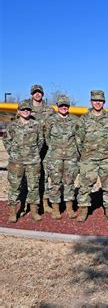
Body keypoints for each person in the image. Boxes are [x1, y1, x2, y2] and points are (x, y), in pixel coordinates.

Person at [75, 90, 108, 222]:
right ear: (91, 102)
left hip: (106, 157)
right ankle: (83, 209)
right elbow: (78, 138)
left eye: (100, 101)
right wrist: (86, 152)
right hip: (89, 158)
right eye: (95, 101)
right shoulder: (84, 119)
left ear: (104, 102)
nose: (98, 103)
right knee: (85, 185)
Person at [4, 100, 44, 222]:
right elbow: (6, 141)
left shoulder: (36, 125)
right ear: (18, 111)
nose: (26, 112)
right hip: (16, 161)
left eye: (28, 110)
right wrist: (14, 153)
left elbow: (40, 141)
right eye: (23, 110)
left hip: (33, 161)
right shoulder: (12, 126)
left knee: (34, 186)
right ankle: (13, 212)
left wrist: (33, 153)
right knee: (14, 187)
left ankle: (34, 211)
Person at [43, 96, 79, 220]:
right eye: (61, 105)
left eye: (66, 106)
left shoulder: (74, 120)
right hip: (55, 157)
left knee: (69, 182)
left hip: (71, 156)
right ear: (57, 106)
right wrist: (54, 148)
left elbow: (78, 138)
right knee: (55, 183)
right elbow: (47, 137)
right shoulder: (50, 120)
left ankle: (69, 208)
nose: (64, 107)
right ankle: (56, 208)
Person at [29, 84, 55, 214]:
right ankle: (28, 203)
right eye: (35, 92)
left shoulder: (49, 110)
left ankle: (45, 203)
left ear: (42, 94)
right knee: (29, 177)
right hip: (30, 149)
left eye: (39, 92)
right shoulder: (25, 108)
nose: (37, 94)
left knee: (44, 175)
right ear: (32, 94)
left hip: (45, 148)